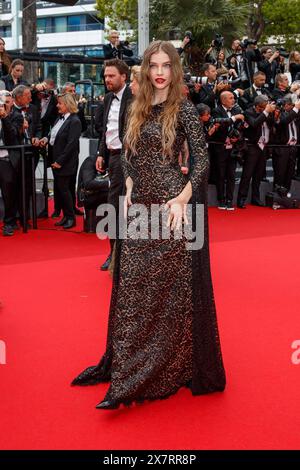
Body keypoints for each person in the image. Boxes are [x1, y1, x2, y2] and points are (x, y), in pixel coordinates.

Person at [72, 40, 226, 410]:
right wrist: (127, 188)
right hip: (140, 208)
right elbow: (128, 153)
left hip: (173, 209)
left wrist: (184, 198)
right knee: (134, 291)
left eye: (166, 66)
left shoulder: (184, 109)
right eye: (153, 66)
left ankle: (159, 370)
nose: (159, 72)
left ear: (174, 70)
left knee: (169, 296)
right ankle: (129, 366)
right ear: (145, 69)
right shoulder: (135, 108)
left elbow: (203, 162)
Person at [95, 58, 132, 271]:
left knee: (120, 206)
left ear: (123, 76)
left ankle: (121, 255)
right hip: (112, 157)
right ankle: (114, 253)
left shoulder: (134, 97)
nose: (107, 79)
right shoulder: (108, 98)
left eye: (111, 76)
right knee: (114, 206)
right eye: (106, 76)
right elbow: (105, 129)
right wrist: (101, 153)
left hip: (127, 158)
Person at [40, 93, 82, 229]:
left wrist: (60, 161)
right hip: (56, 159)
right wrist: (45, 139)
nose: (57, 105)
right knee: (61, 189)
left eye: (60, 103)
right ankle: (66, 216)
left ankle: (71, 218)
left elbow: (71, 145)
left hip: (66, 161)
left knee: (64, 190)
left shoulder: (75, 121)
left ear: (68, 105)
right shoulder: (59, 118)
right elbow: (53, 134)